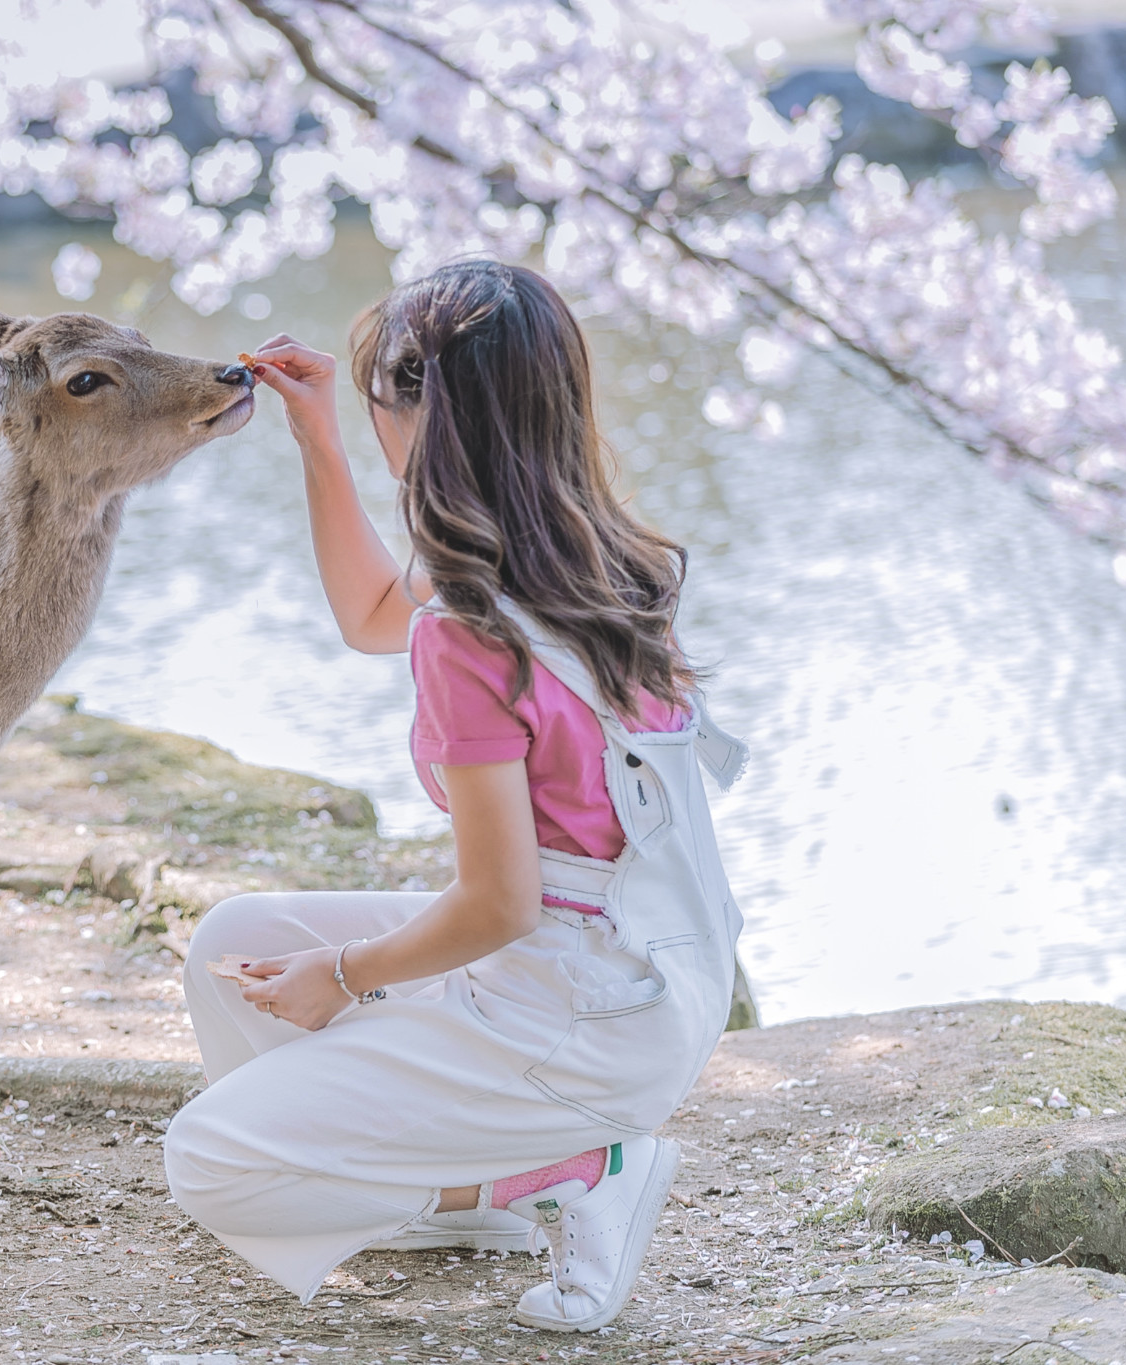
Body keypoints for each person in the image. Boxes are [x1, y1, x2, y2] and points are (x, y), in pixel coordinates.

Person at [162, 261, 749, 1332]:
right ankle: (455, 1188)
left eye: (380, 399)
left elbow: (497, 906)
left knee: (207, 1160)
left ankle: (568, 1172)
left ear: (425, 420)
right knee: (230, 945)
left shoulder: (470, 629)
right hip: (643, 970)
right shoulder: (583, 555)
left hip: (577, 1009)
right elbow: (368, 612)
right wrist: (319, 440)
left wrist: (344, 977)